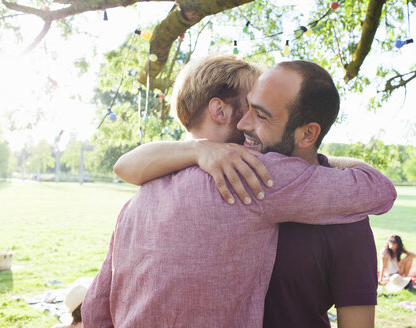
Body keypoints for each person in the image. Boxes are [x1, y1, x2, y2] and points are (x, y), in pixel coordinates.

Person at [82, 55, 396, 328]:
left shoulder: (137, 201)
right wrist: (328, 164)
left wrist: (194, 150)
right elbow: (379, 189)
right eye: (249, 107)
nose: (247, 122)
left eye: (259, 114)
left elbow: (95, 309)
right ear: (219, 111)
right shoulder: (251, 176)